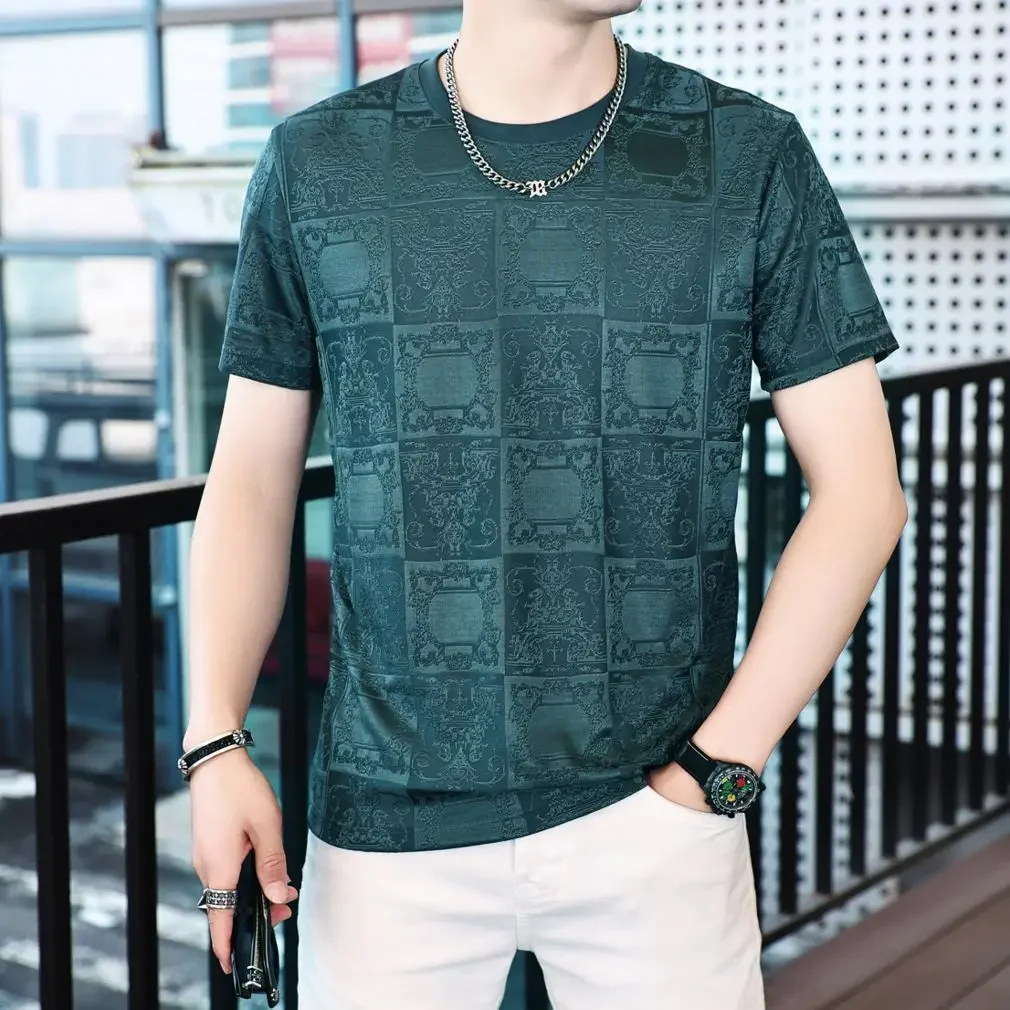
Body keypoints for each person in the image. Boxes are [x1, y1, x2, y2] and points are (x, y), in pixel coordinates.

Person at [180, 1, 908, 1007]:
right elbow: (251, 479)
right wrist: (214, 741)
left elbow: (863, 496)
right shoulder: (318, 160)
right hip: (387, 825)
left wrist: (715, 770)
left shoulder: (747, 152)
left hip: (657, 809)